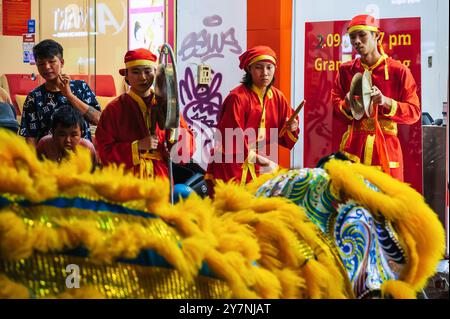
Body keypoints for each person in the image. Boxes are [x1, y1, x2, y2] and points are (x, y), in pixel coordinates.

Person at [331, 14, 421, 181]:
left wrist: (385, 101)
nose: (357, 41)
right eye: (352, 37)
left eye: (362, 35)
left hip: (386, 148)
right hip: (354, 145)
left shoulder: (399, 70)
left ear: (377, 36)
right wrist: (348, 104)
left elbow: (414, 112)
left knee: (386, 201)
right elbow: (335, 109)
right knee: (352, 200)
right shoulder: (345, 71)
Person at [206, 45, 299, 189]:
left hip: (255, 159)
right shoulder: (237, 98)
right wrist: (264, 161)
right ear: (249, 69)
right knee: (233, 205)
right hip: (231, 162)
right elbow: (232, 138)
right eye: (259, 67)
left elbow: (287, 127)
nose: (265, 73)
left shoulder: (277, 97)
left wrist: (292, 126)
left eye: (269, 67)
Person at [95, 48, 195, 179]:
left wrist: (172, 132)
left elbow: (185, 153)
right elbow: (103, 152)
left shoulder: (167, 106)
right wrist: (137, 147)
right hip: (126, 185)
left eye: (148, 71)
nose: (142, 77)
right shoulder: (113, 110)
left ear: (156, 73)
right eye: (135, 72)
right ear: (126, 75)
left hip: (160, 183)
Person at [19, 39, 101, 147]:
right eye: (41, 63)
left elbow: (98, 120)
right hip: (49, 158)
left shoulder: (80, 86)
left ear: (61, 62)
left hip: (82, 157)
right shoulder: (34, 97)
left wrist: (69, 95)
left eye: (51, 61)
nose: (46, 67)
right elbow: (30, 138)